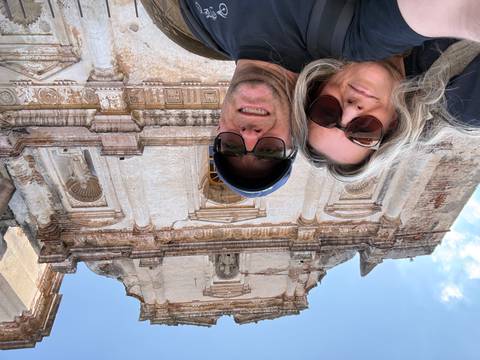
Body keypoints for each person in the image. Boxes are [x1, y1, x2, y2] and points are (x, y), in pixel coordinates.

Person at [294, 0, 480, 182]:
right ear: (393, 125)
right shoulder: (464, 101)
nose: (351, 110)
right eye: (364, 131)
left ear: (319, 87)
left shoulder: (332, 16)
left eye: (327, 112)